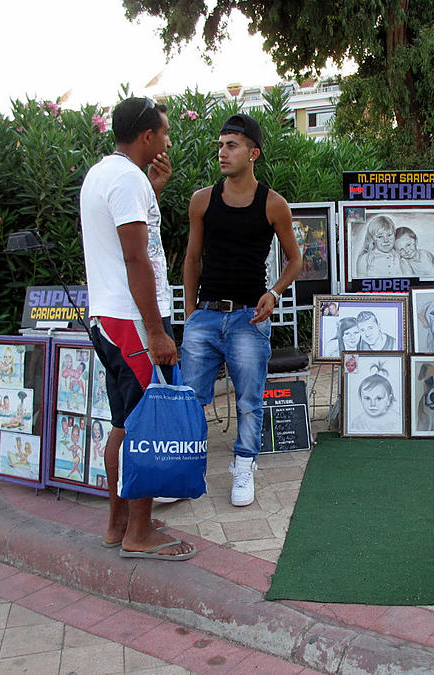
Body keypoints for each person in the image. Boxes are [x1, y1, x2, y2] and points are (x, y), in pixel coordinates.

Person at [79, 97, 194, 560]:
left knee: (124, 424)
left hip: (108, 318)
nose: (167, 140)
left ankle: (118, 524)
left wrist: (155, 190)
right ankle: (139, 534)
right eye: (163, 132)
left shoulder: (104, 174)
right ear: (147, 136)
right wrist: (157, 331)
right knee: (146, 425)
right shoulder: (127, 181)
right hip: (132, 322)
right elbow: (135, 258)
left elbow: (128, 236)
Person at [181, 113, 301, 507]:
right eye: (219, 145)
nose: (222, 152)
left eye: (231, 145)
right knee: (191, 398)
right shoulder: (202, 200)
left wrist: (275, 292)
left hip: (250, 315)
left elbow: (295, 260)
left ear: (253, 153)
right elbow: (192, 258)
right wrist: (191, 312)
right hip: (207, 314)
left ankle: (244, 464)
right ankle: (186, 466)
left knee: (249, 398)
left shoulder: (273, 204)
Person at [350, 362, 402, 433]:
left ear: (389, 400)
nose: (373, 404)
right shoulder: (358, 422)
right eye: (367, 398)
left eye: (379, 398)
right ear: (361, 399)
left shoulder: (398, 421)